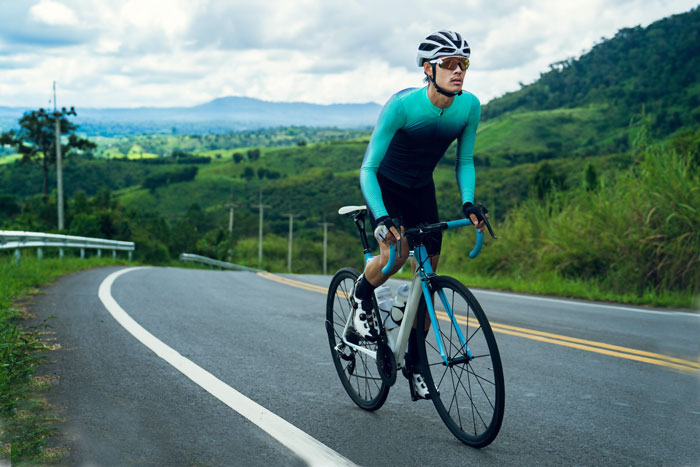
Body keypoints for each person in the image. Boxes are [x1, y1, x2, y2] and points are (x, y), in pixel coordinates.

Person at [352, 30, 488, 399]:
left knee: (427, 276)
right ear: (428, 69)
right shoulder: (403, 106)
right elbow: (367, 168)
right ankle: (362, 297)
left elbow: (464, 159)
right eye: (449, 63)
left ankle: (415, 363)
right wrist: (381, 216)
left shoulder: (469, 106)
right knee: (393, 258)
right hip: (386, 187)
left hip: (421, 191)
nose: (458, 71)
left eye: (464, 64)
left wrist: (468, 203)